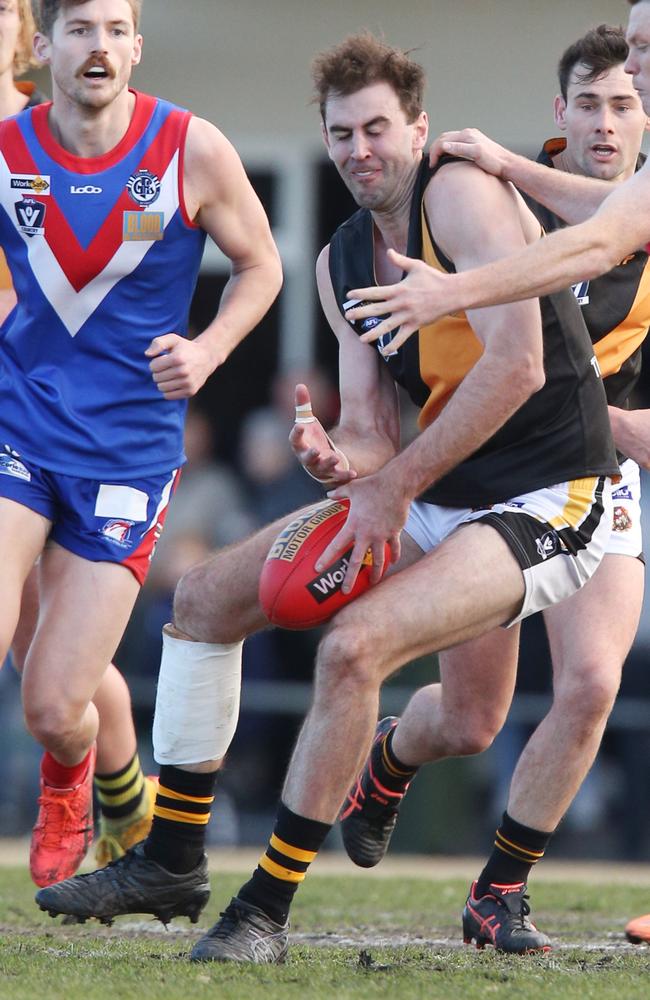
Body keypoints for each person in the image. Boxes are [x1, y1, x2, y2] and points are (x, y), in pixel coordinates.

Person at [37, 33, 619, 963]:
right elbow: (372, 429)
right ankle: (175, 856)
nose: (360, 149)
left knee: (354, 650)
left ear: (419, 129)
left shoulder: (459, 194)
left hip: (548, 492)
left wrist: (390, 484)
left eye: (379, 128)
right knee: (200, 602)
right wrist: (335, 456)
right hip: (433, 490)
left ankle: (264, 909)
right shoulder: (340, 260)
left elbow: (515, 368)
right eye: (341, 132)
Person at [338, 21, 650, 950]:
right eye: (589, 102)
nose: (607, 116)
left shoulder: (611, 207)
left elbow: (610, 231)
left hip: (601, 479)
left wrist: (623, 424)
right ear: (560, 113)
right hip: (496, 475)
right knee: (471, 719)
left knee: (593, 680)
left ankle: (500, 889)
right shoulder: (500, 196)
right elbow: (590, 238)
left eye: (623, 102)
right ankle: (391, 758)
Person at [0, 0, 280, 893]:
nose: (100, 47)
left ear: (137, 48)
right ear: (43, 46)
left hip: (127, 455)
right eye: (80, 29)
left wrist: (207, 349)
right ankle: (90, 793)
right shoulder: (9, 149)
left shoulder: (189, 146)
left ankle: (88, 777)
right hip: (18, 428)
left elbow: (263, 265)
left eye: (117, 30)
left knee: (53, 703)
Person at [0, 0, 160, 885]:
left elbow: (114, 265)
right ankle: (110, 788)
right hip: (15, 416)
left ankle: (120, 788)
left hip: (93, 426)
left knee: (53, 668)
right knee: (29, 647)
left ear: (26, 31)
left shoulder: (45, 129)